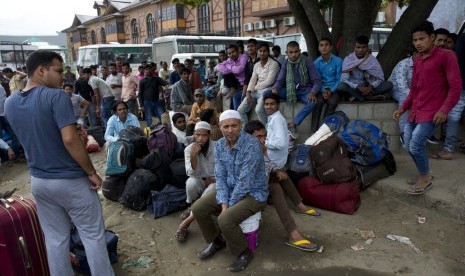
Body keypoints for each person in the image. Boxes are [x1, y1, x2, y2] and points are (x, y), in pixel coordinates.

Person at [4, 50, 114, 276]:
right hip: (71, 181)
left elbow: (34, 136)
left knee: (55, 240)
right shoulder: (56, 97)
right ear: (41, 70)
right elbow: (69, 139)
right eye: (58, 71)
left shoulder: (10, 103)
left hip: (39, 181)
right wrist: (91, 171)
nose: (63, 77)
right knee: (92, 236)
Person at [192, 110, 268, 273]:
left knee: (225, 219)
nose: (230, 130)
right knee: (198, 208)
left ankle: (244, 251)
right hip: (231, 188)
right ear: (219, 127)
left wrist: (226, 207)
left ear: (240, 126)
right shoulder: (219, 145)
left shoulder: (251, 145)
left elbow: (245, 183)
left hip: (254, 193)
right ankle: (217, 240)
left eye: (234, 125)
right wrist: (223, 202)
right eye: (226, 126)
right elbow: (220, 176)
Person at [392, 21, 461, 195]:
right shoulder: (418, 60)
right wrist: (403, 108)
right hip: (415, 111)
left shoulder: (447, 56)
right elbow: (414, 89)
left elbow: (455, 87)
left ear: (432, 38)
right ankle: (425, 173)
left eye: (422, 39)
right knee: (408, 145)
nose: (418, 43)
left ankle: (424, 178)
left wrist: (444, 110)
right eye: (415, 40)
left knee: (416, 145)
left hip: (433, 112)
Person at [245, 119, 320, 252]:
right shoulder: (246, 151)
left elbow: (269, 164)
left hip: (261, 182)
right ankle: (293, 234)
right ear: (248, 137)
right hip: (251, 190)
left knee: (282, 172)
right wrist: (263, 156)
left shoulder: (259, 147)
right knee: (275, 188)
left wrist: (276, 170)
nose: (263, 140)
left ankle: (299, 205)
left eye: (264, 136)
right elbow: (257, 178)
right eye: (259, 137)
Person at [175, 121, 217, 242]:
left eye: (204, 135)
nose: (200, 139)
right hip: (200, 179)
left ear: (209, 135)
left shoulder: (218, 147)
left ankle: (189, 216)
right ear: (194, 134)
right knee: (191, 183)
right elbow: (190, 172)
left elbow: (225, 170)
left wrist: (214, 180)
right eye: (197, 135)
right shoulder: (189, 149)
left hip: (215, 181)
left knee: (213, 188)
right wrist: (193, 156)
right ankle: (192, 205)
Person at [270, 40, 322, 137]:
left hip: (305, 91)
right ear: (286, 53)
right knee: (267, 94)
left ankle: (293, 124)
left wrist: (313, 92)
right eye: (291, 52)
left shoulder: (307, 61)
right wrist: (275, 88)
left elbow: (317, 81)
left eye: (296, 52)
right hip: (290, 91)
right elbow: (280, 80)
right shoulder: (286, 63)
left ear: (300, 51)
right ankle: (272, 124)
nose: (294, 55)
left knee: (313, 102)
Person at [337, 35, 393, 101]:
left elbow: (379, 78)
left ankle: (361, 97)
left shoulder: (372, 60)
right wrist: (358, 86)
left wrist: (371, 87)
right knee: (341, 86)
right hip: (354, 88)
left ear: (367, 47)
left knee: (389, 84)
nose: (360, 50)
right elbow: (344, 80)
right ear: (354, 47)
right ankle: (367, 97)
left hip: (369, 88)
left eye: (363, 47)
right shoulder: (349, 59)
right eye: (358, 47)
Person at [238, 42, 280, 126]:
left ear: (268, 52)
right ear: (257, 52)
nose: (262, 53)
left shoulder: (274, 64)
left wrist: (254, 88)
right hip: (255, 91)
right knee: (240, 110)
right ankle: (245, 131)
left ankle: (267, 131)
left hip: (267, 90)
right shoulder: (256, 65)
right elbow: (252, 79)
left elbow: (269, 81)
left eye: (265, 51)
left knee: (259, 110)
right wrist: (248, 92)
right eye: (260, 51)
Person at [312, 37, 342, 133]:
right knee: (317, 102)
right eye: (321, 45)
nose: (324, 47)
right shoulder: (316, 63)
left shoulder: (338, 61)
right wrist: (323, 91)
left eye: (326, 45)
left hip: (335, 89)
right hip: (321, 89)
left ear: (331, 47)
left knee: (332, 102)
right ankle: (314, 131)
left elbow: (339, 79)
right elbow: (317, 80)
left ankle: (325, 129)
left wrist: (331, 91)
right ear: (318, 48)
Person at [388, 46, 416, 142]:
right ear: (414, 54)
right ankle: (404, 132)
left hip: (413, 92)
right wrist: (414, 97)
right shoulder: (403, 64)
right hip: (396, 90)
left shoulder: (425, 64)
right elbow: (402, 87)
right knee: (405, 99)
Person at [217, 44, 248, 110]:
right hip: (236, 82)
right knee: (226, 73)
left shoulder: (243, 57)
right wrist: (232, 69)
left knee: (234, 99)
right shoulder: (229, 60)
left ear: (238, 51)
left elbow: (239, 70)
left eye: (233, 52)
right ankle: (232, 89)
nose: (231, 55)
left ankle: (236, 114)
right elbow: (219, 67)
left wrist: (229, 66)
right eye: (229, 53)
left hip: (244, 82)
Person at [138, 63, 167, 127]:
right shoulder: (142, 81)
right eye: (146, 69)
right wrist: (141, 105)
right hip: (146, 102)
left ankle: (164, 130)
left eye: (149, 69)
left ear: (152, 70)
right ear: (144, 70)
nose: (148, 70)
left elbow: (165, 83)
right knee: (148, 118)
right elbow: (140, 94)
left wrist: (166, 78)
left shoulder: (157, 79)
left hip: (156, 101)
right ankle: (150, 133)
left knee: (162, 116)